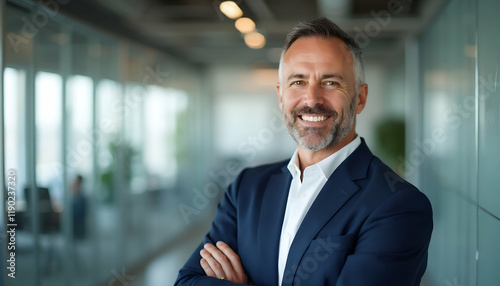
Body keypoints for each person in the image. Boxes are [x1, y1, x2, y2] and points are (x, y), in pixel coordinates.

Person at [175, 18, 433, 286]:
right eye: (298, 82)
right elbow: (188, 281)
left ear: (360, 98)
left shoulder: (397, 205)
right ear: (280, 96)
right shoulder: (247, 189)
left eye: (331, 82)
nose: (312, 99)